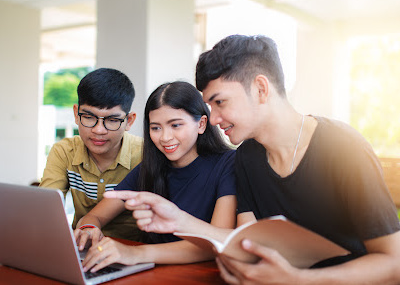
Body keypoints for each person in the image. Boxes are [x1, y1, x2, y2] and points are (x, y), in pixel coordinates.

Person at [106, 34, 400, 284]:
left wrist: (299, 280)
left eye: (220, 102)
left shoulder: (343, 147)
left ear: (261, 88)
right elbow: (245, 245)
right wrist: (178, 220)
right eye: (209, 106)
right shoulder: (247, 156)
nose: (214, 118)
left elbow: (394, 264)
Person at [74, 81, 237, 273]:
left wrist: (136, 254)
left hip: (203, 275)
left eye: (175, 125)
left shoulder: (228, 164)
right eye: (156, 128)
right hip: (153, 273)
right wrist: (89, 228)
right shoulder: (150, 167)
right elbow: (94, 216)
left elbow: (215, 243)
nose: (165, 137)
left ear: (201, 124)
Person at [40, 68, 143, 241]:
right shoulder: (64, 152)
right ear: (76, 114)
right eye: (88, 117)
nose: (98, 130)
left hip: (132, 249)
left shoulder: (145, 155)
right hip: (81, 246)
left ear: (129, 121)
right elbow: (44, 210)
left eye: (112, 120)